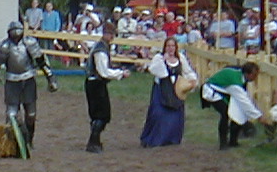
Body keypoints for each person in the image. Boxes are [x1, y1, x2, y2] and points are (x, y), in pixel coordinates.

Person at [0, 20, 57, 149]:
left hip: (28, 81)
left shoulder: (29, 43)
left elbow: (41, 62)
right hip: (12, 82)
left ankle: (29, 141)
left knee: (31, 114)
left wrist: (50, 78)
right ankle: (14, 143)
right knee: (11, 115)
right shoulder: (5, 46)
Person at [139, 36, 197, 148]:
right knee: (158, 114)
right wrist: (164, 60)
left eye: (172, 46)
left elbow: (187, 71)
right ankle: (154, 139)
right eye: (168, 46)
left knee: (174, 115)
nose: (170, 48)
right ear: (165, 47)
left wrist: (192, 80)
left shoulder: (181, 58)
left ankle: (171, 139)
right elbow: (154, 70)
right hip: (162, 89)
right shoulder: (159, 58)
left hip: (176, 89)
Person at [84, 23, 129, 152]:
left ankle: (95, 141)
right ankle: (93, 142)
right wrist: (120, 73)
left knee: (98, 114)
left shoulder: (101, 47)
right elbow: (103, 71)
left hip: (94, 83)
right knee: (102, 115)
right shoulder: (101, 50)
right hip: (96, 84)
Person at [201, 61, 262, 149]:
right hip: (211, 91)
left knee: (237, 110)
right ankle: (223, 143)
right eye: (254, 75)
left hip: (224, 91)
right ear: (247, 74)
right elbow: (244, 101)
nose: (256, 77)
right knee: (225, 114)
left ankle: (233, 141)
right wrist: (258, 116)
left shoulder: (240, 76)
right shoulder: (235, 83)